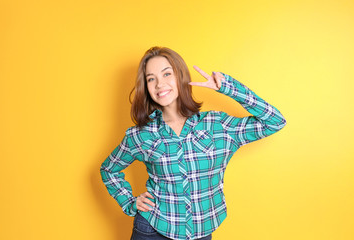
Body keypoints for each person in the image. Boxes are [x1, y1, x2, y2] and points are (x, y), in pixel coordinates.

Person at [100, 46, 287, 240]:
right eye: (151, 79)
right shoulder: (141, 135)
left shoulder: (218, 126)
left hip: (200, 232)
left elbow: (275, 121)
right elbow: (109, 169)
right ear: (146, 87)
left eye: (166, 74)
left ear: (180, 76)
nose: (159, 84)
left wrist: (228, 87)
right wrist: (130, 201)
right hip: (152, 229)